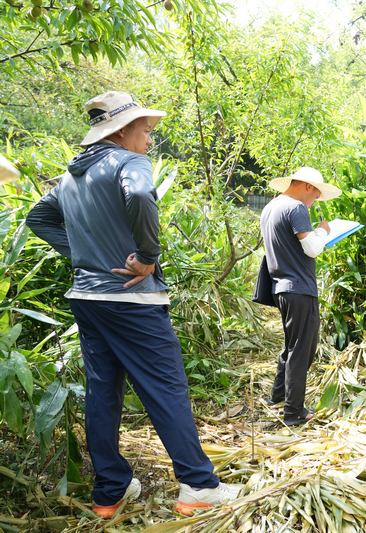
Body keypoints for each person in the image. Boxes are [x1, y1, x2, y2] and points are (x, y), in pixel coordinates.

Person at [25, 91, 241, 517]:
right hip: (131, 299)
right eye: (145, 130)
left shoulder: (70, 177)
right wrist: (145, 257)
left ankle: (110, 491)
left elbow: (39, 218)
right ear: (122, 131)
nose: (149, 140)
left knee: (103, 392)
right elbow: (141, 195)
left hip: (87, 298)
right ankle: (199, 485)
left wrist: (85, 257)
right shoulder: (129, 162)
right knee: (167, 388)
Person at [260, 167, 341, 426]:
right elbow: (313, 248)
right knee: (302, 350)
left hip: (281, 287)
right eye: (316, 196)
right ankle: (294, 412)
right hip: (300, 288)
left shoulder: (270, 208)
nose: (314, 201)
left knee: (291, 346)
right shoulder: (296, 208)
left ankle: (278, 398)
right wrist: (324, 230)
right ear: (307, 186)